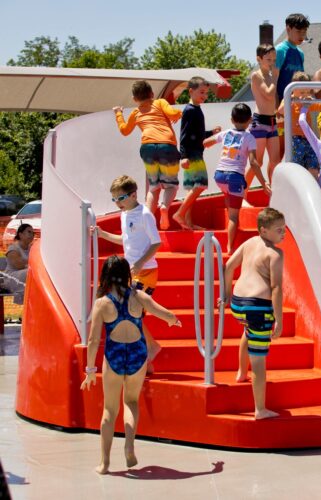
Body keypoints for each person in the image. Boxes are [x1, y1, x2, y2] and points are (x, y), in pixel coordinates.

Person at [81, 255, 180, 474]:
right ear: (127, 274)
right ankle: (129, 445)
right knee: (131, 402)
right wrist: (174, 320)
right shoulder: (139, 296)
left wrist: (89, 371)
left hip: (115, 356)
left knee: (109, 409)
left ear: (105, 276)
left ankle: (105, 463)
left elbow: (93, 340)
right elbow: (164, 313)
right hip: (137, 355)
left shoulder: (102, 303)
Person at [222, 208, 286, 420]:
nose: (283, 233)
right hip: (258, 307)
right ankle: (260, 409)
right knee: (258, 359)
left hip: (239, 305)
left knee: (248, 330)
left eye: (284, 229)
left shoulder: (249, 243)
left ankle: (241, 373)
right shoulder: (275, 254)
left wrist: (227, 294)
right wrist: (278, 319)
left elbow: (229, 266)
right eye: (279, 230)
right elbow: (276, 288)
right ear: (264, 231)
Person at [98, 175, 163, 372]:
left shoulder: (144, 214)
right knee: (130, 312)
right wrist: (103, 234)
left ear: (134, 194)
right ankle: (148, 357)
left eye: (121, 198)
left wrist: (141, 262)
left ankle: (151, 348)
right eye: (114, 199)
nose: (118, 203)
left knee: (131, 309)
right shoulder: (124, 214)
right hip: (132, 270)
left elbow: (157, 242)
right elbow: (126, 240)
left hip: (146, 271)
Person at [113, 80, 182, 230]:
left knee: (154, 186)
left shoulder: (136, 112)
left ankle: (149, 221)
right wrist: (178, 113)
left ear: (134, 99)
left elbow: (124, 130)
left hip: (147, 147)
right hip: (167, 145)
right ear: (151, 94)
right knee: (171, 185)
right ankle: (164, 207)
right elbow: (173, 113)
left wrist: (118, 113)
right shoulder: (159, 102)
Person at [204, 103, 271, 255]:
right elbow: (254, 163)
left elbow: (206, 143)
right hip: (235, 177)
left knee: (229, 205)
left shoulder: (226, 133)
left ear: (231, 119)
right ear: (249, 121)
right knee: (234, 216)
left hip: (220, 176)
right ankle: (229, 247)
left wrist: (214, 135)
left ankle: (230, 236)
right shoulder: (249, 137)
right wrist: (263, 183)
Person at [173, 76, 221, 230]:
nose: (204, 96)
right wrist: (183, 156)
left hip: (194, 152)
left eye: (206, 93)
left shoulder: (195, 110)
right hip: (192, 155)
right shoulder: (190, 110)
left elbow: (196, 134)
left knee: (190, 188)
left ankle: (187, 224)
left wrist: (210, 133)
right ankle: (180, 213)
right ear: (191, 91)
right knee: (200, 184)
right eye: (201, 92)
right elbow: (185, 135)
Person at [277, 72, 321, 177]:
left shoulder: (308, 101)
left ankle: (314, 184)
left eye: (307, 91)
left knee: (314, 166)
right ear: (293, 89)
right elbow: (281, 110)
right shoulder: (288, 98)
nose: (305, 95)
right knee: (297, 167)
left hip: (309, 138)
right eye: (302, 92)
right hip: (295, 139)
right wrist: (292, 101)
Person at [250, 44, 281, 184]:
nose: (272, 63)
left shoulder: (270, 76)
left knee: (275, 162)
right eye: (268, 59)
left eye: (274, 60)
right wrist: (275, 77)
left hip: (272, 121)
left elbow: (273, 98)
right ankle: (242, 194)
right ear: (259, 59)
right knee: (258, 162)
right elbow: (269, 94)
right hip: (260, 122)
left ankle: (275, 193)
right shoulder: (256, 76)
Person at [275, 13, 309, 102]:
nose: (302, 35)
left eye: (304, 31)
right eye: (298, 31)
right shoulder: (279, 50)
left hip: (297, 106)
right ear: (288, 29)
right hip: (282, 106)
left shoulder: (300, 53)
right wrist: (276, 110)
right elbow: (272, 82)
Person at [2, 223, 34, 305]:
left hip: (25, 277)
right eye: (29, 232)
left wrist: (28, 263)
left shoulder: (32, 249)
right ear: (20, 234)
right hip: (12, 278)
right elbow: (18, 265)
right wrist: (32, 263)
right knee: (31, 272)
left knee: (33, 273)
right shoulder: (13, 248)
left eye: (33, 233)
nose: (32, 235)